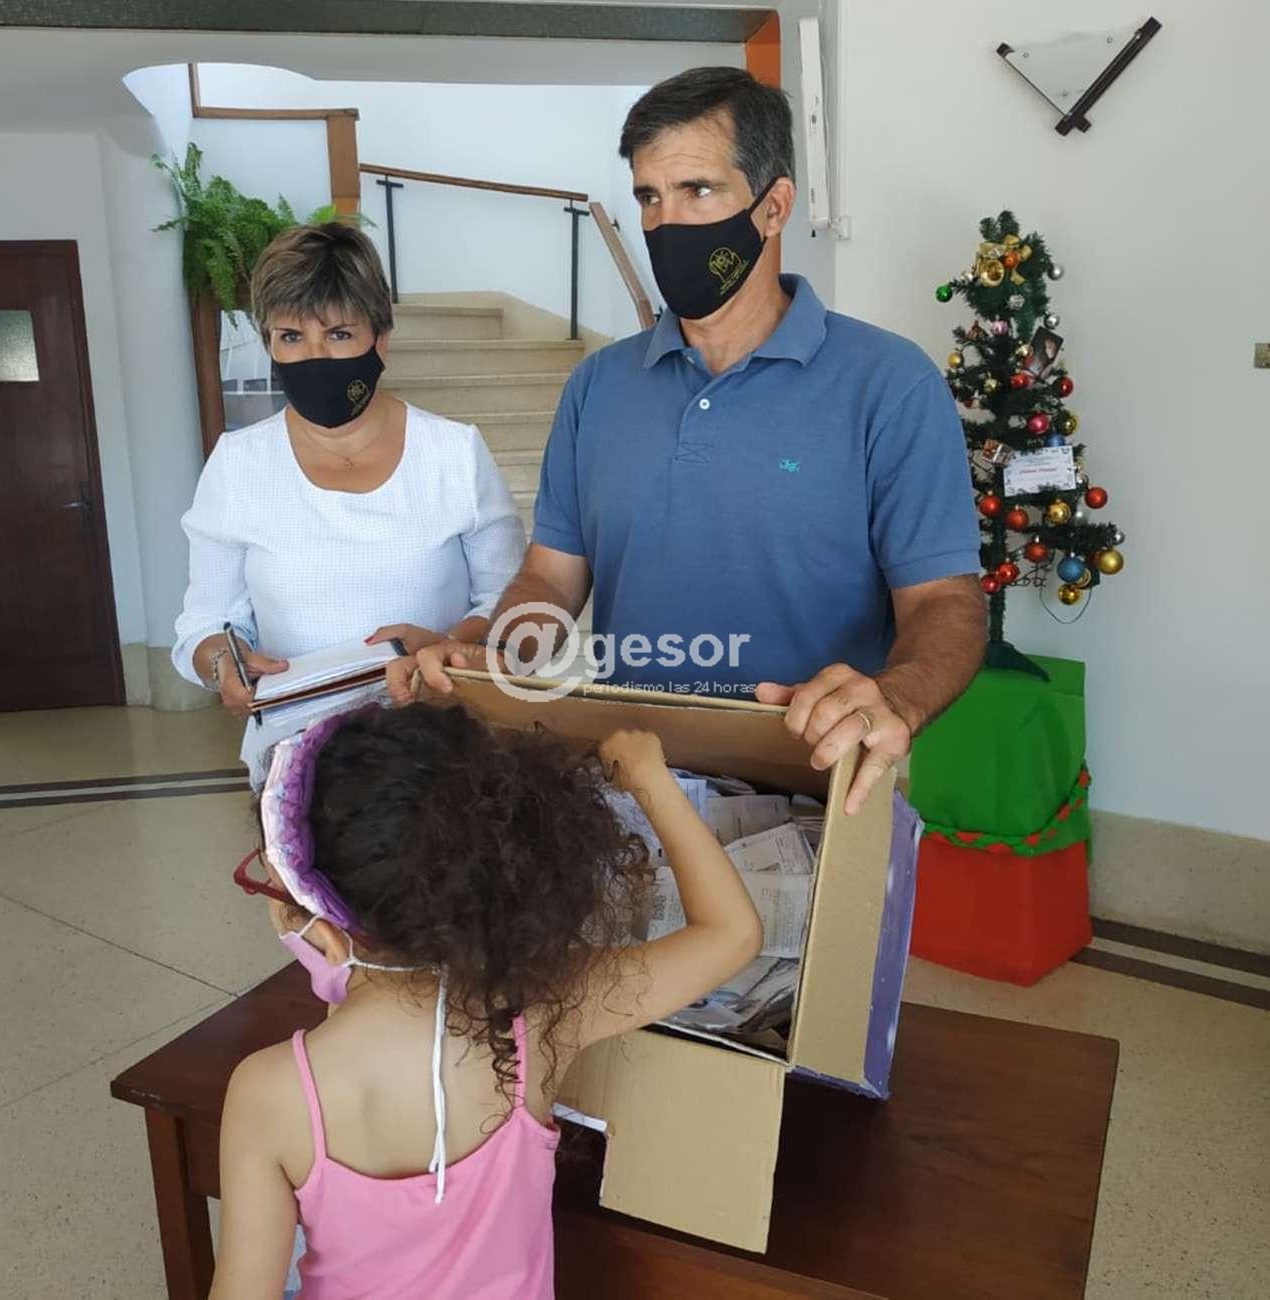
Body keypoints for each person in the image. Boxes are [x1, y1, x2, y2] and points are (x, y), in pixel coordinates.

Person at [398, 68, 986, 814]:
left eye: (698, 190)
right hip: (631, 785)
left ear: (774, 206)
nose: (666, 223)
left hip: (822, 789)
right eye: (649, 197)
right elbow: (552, 576)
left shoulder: (889, 383)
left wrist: (896, 698)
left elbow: (945, 601)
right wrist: (498, 653)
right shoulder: (598, 386)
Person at [209, 703, 762, 1299]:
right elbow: (730, 933)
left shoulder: (269, 1093)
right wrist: (649, 776)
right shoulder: (541, 1012)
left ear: (325, 934)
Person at [171, 222, 524, 782]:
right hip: (294, 761)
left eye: (338, 334)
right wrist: (222, 661)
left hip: (442, 753)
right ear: (268, 344)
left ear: (381, 339)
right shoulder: (238, 465)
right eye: (291, 337)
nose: (315, 357)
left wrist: (451, 645)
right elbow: (205, 622)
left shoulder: (453, 454)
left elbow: (511, 606)